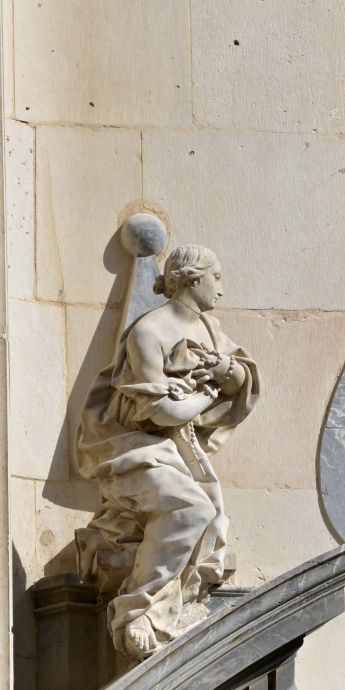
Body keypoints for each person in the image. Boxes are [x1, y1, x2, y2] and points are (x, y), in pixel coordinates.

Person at [73, 244, 260, 659]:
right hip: (130, 448)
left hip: (178, 448)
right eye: (217, 278)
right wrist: (202, 396)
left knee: (206, 517)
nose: (222, 290)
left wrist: (222, 372)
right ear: (193, 279)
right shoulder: (149, 331)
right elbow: (159, 411)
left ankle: (172, 603)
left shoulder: (208, 331)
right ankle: (137, 610)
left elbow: (243, 376)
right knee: (192, 511)